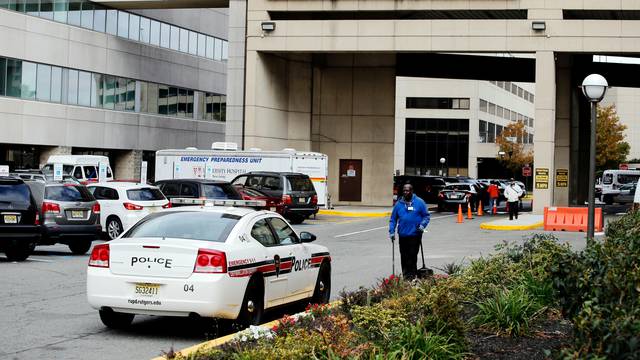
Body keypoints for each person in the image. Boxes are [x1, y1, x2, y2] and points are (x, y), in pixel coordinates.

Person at [389, 183, 430, 279]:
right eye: (404, 191)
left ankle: (412, 275)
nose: (405, 192)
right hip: (403, 234)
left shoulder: (419, 202)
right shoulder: (399, 204)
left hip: (415, 234)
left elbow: (426, 216)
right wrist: (391, 231)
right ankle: (406, 276)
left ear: (412, 191)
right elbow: (393, 219)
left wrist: (422, 225)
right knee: (404, 256)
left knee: (412, 255)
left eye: (407, 191)